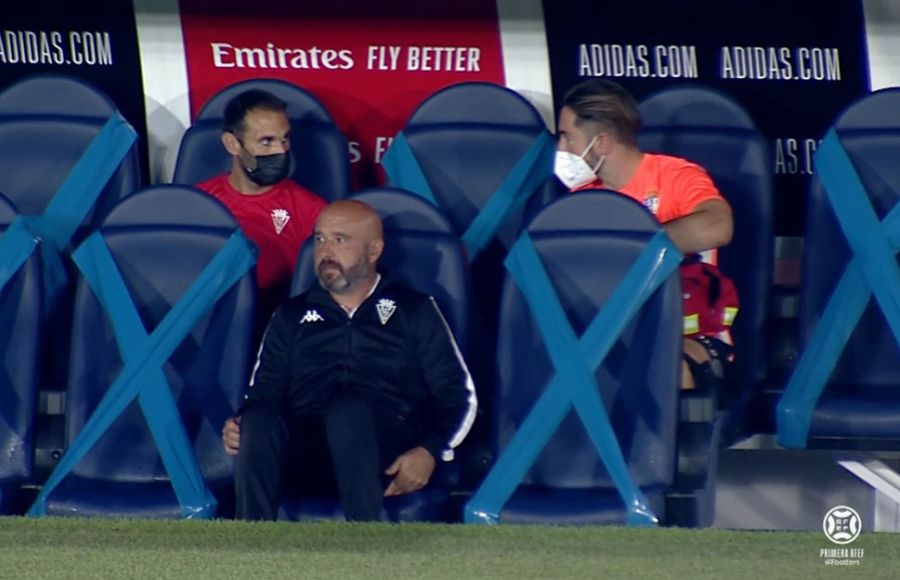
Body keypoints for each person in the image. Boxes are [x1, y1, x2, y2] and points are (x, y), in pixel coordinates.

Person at [221, 200, 477, 521]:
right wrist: (239, 425)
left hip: (382, 457)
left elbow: (459, 396)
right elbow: (263, 391)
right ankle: (252, 545)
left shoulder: (414, 310)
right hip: (305, 455)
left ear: (373, 251)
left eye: (340, 240)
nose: (326, 250)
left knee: (348, 408)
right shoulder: (290, 315)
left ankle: (362, 542)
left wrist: (430, 450)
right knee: (258, 417)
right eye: (319, 239)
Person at [554, 78, 736, 393]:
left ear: (601, 144)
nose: (561, 149)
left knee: (660, 367)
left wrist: (632, 246)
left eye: (567, 138)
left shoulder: (676, 176)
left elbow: (718, 227)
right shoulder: (581, 198)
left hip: (688, 333)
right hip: (609, 332)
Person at [196, 89, 327, 316]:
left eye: (285, 139)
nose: (281, 150)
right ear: (232, 144)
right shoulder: (199, 203)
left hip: (276, 316)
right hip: (208, 313)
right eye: (266, 141)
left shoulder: (311, 210)